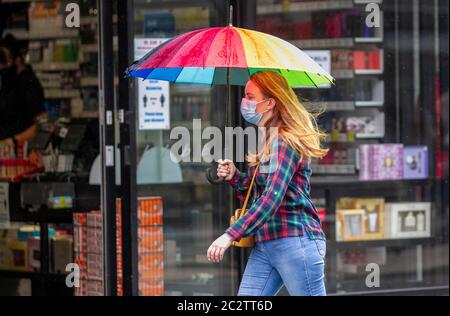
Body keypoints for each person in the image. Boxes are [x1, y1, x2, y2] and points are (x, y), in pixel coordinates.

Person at [207, 70, 329, 296]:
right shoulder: (268, 138)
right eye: (245, 96)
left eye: (250, 97)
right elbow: (261, 188)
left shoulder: (284, 141)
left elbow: (272, 198)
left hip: (294, 241)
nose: (245, 102)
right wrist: (235, 175)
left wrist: (230, 235)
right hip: (267, 242)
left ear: (270, 102)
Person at [0, 34, 46, 153]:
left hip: (20, 152)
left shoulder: (28, 83)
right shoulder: (9, 81)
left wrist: (14, 140)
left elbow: (41, 124)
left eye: (4, 60)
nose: (1, 66)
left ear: (18, 60)